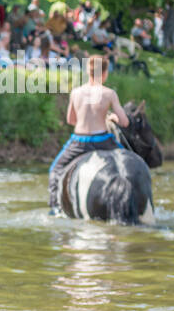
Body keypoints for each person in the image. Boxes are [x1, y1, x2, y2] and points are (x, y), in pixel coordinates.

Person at [47, 56, 131, 214]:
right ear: (105, 73)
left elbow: (71, 120)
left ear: (87, 71)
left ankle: (55, 207)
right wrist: (110, 117)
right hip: (103, 141)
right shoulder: (109, 93)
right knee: (128, 161)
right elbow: (124, 122)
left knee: (55, 169)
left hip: (79, 142)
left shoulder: (76, 92)